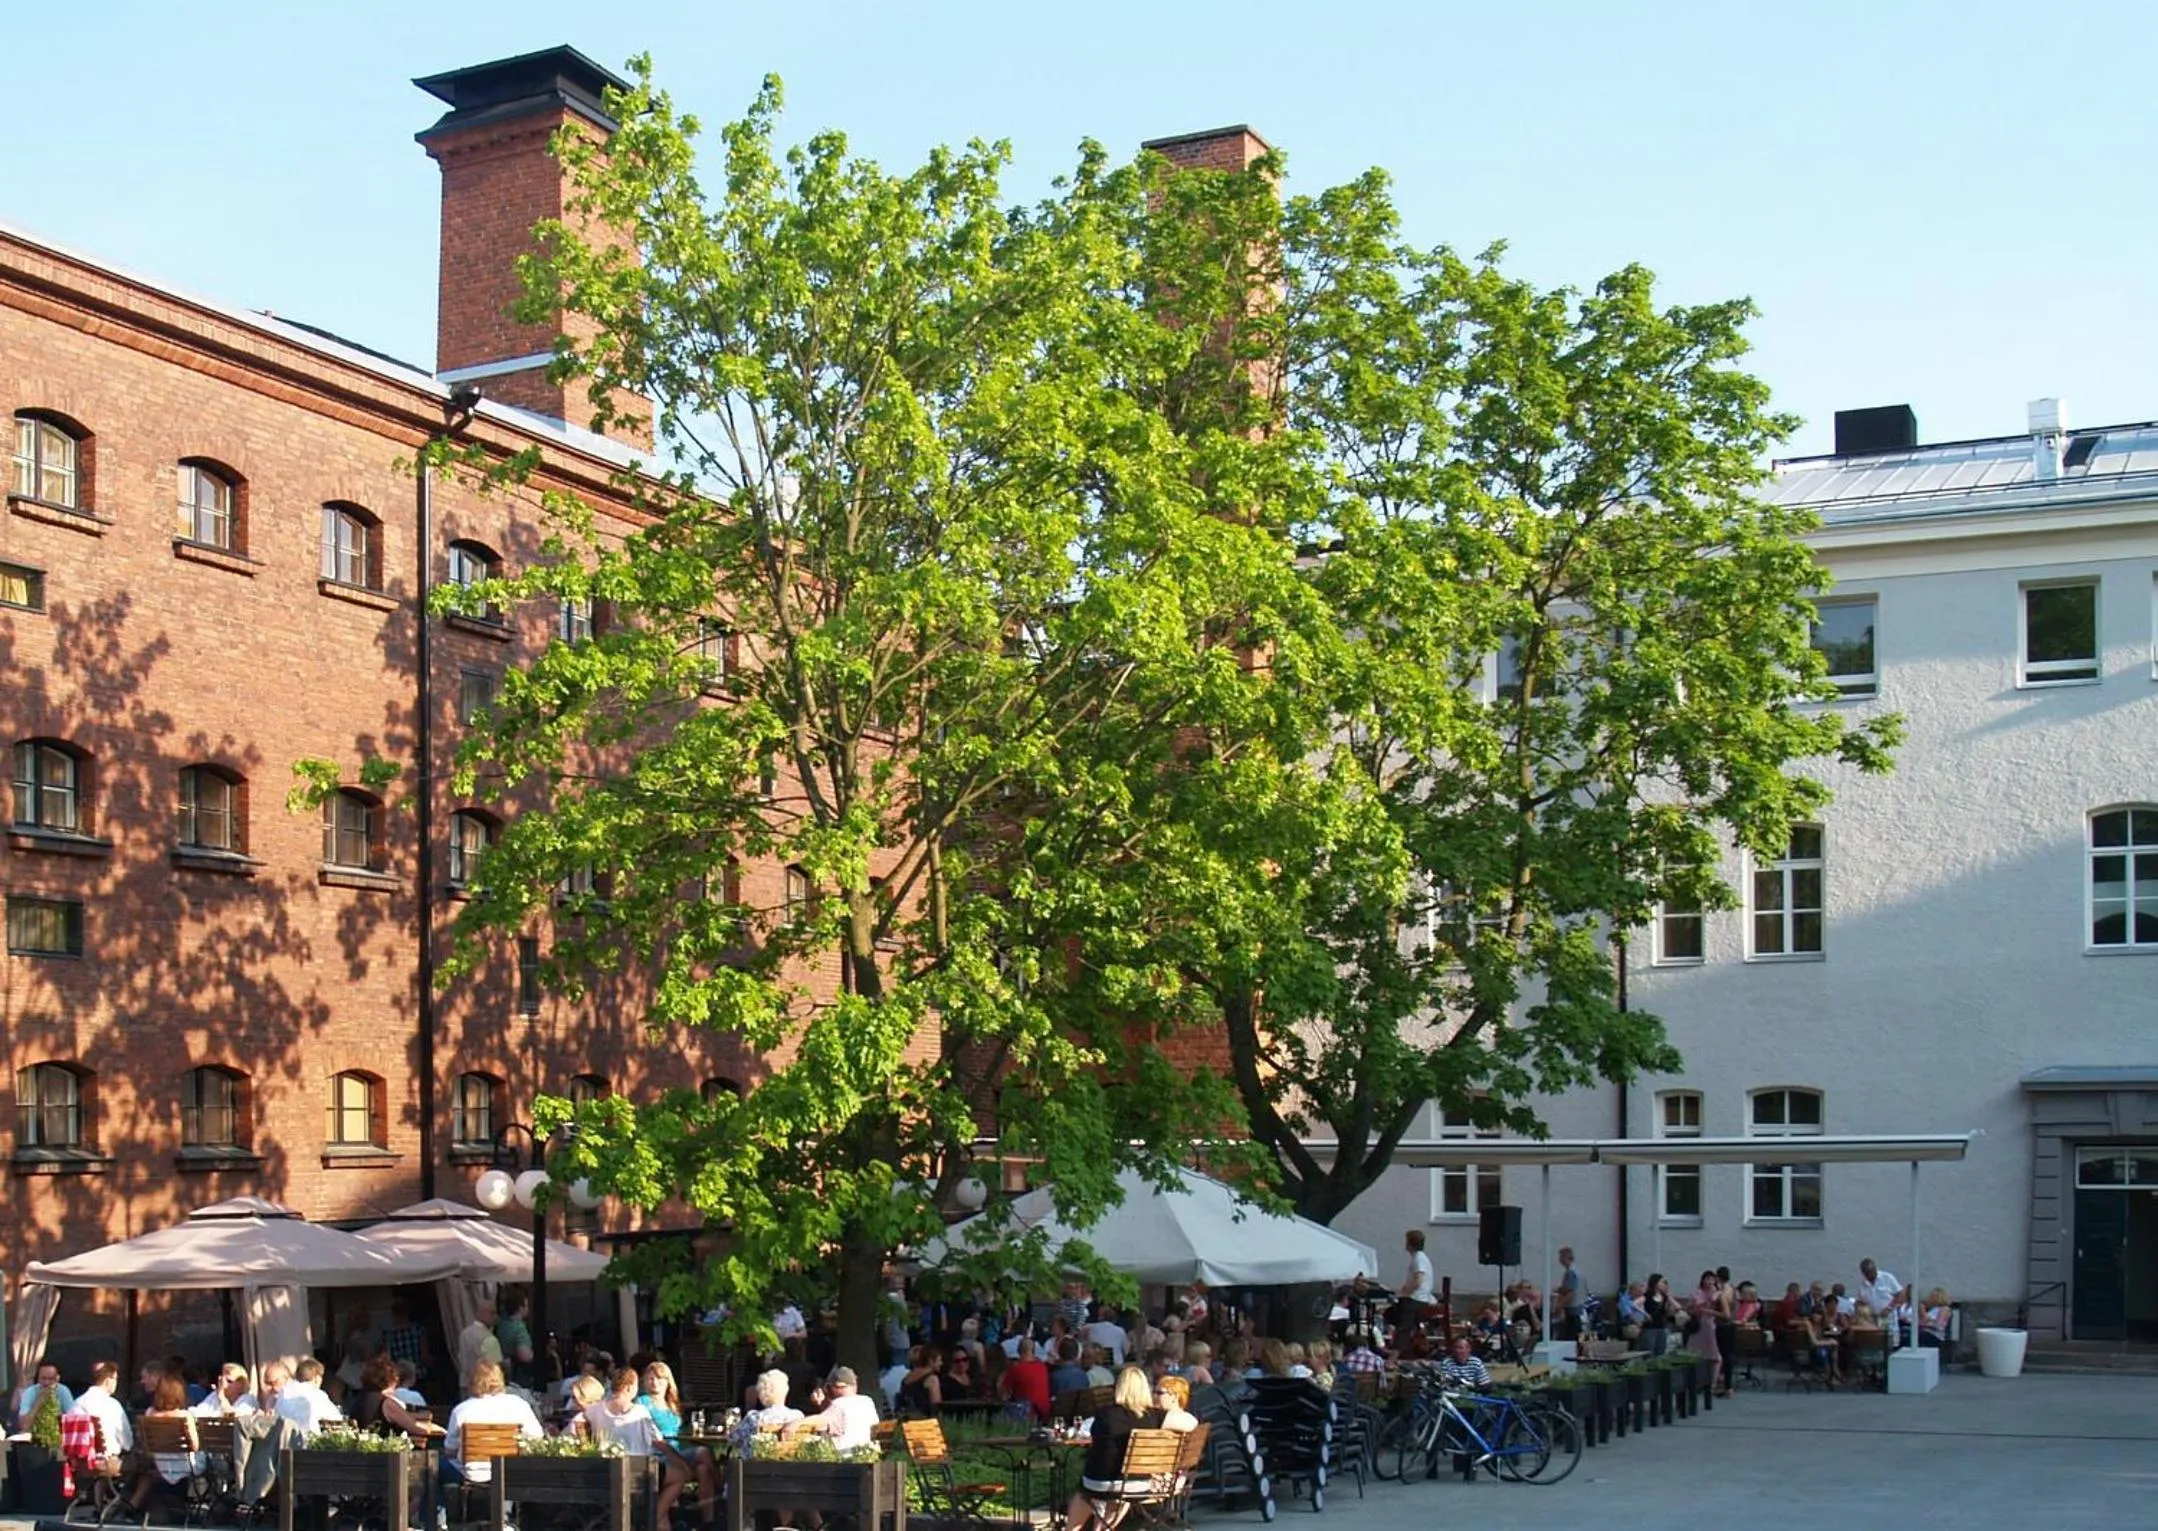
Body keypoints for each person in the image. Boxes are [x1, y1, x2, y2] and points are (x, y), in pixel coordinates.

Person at [1065, 1368, 1196, 1531]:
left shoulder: (1105, 1414)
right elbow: (1191, 1423)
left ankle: (1071, 1529)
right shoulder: (1153, 1416)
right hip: (1136, 1485)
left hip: (1098, 1483)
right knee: (1120, 1496)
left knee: (1084, 1494)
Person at [444, 1359, 543, 1485]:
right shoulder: (518, 1404)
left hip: (471, 1476)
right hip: (510, 1474)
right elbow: (537, 1437)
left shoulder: (461, 1410)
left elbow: (449, 1451)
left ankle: (445, 1504)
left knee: (435, 1469)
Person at [128, 1370, 203, 1513]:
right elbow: (194, 1445)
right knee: (207, 1458)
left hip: (161, 1465)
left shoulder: (150, 1413)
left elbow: (145, 1443)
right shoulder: (185, 1416)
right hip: (185, 1466)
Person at [351, 1354, 440, 1441]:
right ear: (391, 1379)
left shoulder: (358, 1400)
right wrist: (441, 1430)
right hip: (385, 1453)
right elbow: (415, 1427)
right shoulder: (386, 1403)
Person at [797, 1366, 880, 1452]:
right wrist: (823, 1404)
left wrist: (796, 1423)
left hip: (844, 1456)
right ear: (855, 1385)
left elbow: (821, 1421)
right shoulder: (867, 1401)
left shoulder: (838, 1404)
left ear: (833, 1387)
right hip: (865, 1453)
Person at [70, 1360, 134, 1455]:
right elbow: (127, 1441)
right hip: (107, 1462)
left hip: (79, 1461)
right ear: (108, 1380)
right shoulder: (112, 1405)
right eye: (115, 1379)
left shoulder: (77, 1402)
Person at [735, 1369, 805, 1454]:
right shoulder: (797, 1416)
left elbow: (734, 1440)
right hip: (791, 1465)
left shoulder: (754, 1417)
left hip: (755, 1466)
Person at [1393, 1229, 1435, 1357]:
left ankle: (1395, 1353)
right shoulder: (1419, 1258)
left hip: (1417, 1299)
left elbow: (1418, 1280)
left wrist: (1405, 1292)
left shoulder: (1419, 1259)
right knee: (1394, 1313)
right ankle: (1405, 1348)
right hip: (1417, 1297)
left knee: (1402, 1324)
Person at [275, 1359, 344, 1432]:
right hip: (307, 1439)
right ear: (317, 1378)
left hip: (283, 1438)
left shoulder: (284, 1391)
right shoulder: (317, 1394)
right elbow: (336, 1419)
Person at [1686, 1271, 1725, 1394]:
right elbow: (1689, 1308)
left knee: (1714, 1355)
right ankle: (1695, 1382)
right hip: (1697, 1325)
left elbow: (1725, 1313)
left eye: (1712, 1279)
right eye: (1706, 1279)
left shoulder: (1718, 1294)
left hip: (1710, 1325)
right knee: (1695, 1353)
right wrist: (1695, 1310)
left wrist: (1709, 1309)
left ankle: (1712, 1383)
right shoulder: (1696, 1293)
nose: (1709, 1282)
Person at [1001, 1337, 1052, 1422]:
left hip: (1025, 1412)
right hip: (1043, 1412)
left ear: (1019, 1351)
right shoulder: (1042, 1367)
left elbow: (1004, 1392)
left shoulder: (1016, 1368)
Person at [458, 1297, 503, 1390]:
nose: (495, 1317)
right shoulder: (489, 1338)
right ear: (483, 1313)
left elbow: (461, 1357)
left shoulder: (464, 1333)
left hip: (465, 1383)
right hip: (483, 1387)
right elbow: (495, 1365)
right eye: (492, 1313)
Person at [14, 1358, 73, 1428]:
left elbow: (72, 1419)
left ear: (57, 1378)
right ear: (38, 1378)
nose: (46, 1383)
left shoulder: (63, 1391)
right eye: (43, 1378)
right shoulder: (29, 1392)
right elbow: (23, 1425)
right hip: (35, 1433)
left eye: (51, 1379)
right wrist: (39, 1401)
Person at [496, 1289, 537, 1384]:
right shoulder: (519, 1328)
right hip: (518, 1375)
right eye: (526, 1306)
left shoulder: (501, 1323)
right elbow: (525, 1356)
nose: (528, 1309)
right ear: (520, 1308)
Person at [1856, 1259, 1905, 1338]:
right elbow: (1859, 1301)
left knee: (1890, 1341)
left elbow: (1900, 1294)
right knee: (1876, 1342)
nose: (1868, 1276)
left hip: (1888, 1317)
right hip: (1872, 1319)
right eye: (1866, 1273)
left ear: (1875, 1269)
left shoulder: (1887, 1278)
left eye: (1870, 1272)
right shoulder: (1863, 1284)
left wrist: (1889, 1308)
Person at [193, 1363, 258, 1417]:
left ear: (241, 1385)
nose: (223, 1383)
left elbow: (234, 1418)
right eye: (221, 1379)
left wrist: (222, 1398)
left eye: (229, 1381)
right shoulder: (214, 1396)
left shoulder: (248, 1399)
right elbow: (198, 1411)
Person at [1641, 1273, 1674, 1356]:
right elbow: (1634, 1304)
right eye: (1662, 1282)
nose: (1664, 1284)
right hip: (1650, 1327)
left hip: (1661, 1326)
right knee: (1649, 1351)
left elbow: (1676, 1307)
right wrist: (1645, 1314)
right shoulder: (1648, 1295)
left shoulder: (1664, 1297)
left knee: (1661, 1351)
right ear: (1655, 1283)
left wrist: (1669, 1297)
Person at [1557, 1247, 1586, 1338]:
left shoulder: (1571, 1272)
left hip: (1572, 1309)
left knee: (1571, 1335)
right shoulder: (1578, 1271)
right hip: (1580, 1306)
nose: (1559, 1260)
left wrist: (1559, 1306)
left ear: (1566, 1258)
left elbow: (1571, 1293)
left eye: (1561, 1257)